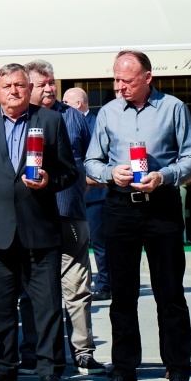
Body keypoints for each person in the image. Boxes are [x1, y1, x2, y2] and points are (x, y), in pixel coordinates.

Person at [85, 50, 191, 381]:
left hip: (162, 205)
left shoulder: (173, 108)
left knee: (170, 293)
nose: (119, 86)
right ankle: (124, 371)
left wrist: (164, 175)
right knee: (122, 294)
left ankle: (178, 371)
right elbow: (92, 160)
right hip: (120, 207)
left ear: (147, 78)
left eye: (127, 80)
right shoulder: (106, 112)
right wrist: (110, 173)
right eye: (116, 79)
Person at [0, 63, 77, 381]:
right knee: (1, 305)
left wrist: (49, 180)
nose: (14, 90)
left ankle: (49, 369)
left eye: (20, 85)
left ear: (30, 88)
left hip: (40, 229)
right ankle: (4, 367)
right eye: (7, 85)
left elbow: (70, 172)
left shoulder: (50, 121)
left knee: (48, 305)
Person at [18, 61, 104, 377]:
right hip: (32, 218)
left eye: (52, 82)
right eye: (42, 84)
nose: (50, 88)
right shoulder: (19, 120)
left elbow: (95, 159)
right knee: (32, 291)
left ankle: (83, 352)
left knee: (78, 287)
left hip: (70, 213)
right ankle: (35, 353)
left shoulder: (75, 119)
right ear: (27, 87)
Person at [62, 87, 111, 300]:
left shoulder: (96, 122)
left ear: (79, 104)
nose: (62, 104)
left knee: (99, 242)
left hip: (96, 195)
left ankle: (105, 283)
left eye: (66, 101)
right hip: (74, 195)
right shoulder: (62, 120)